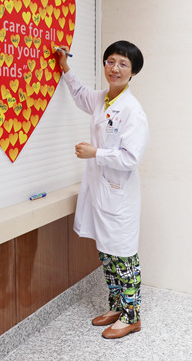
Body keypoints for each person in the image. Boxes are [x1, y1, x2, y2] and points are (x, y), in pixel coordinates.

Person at [55, 40, 149, 339]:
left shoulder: (132, 111)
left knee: (123, 257)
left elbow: (130, 158)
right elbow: (80, 93)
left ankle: (132, 317)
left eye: (123, 64)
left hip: (119, 195)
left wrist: (95, 153)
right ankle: (117, 307)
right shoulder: (102, 99)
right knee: (107, 255)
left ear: (133, 71)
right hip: (101, 192)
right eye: (110, 61)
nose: (115, 68)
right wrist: (65, 67)